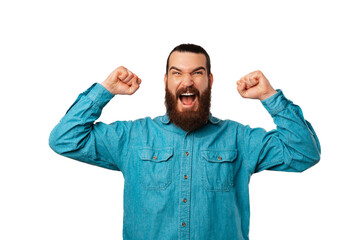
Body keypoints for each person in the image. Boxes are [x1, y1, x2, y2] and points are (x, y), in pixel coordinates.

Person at [49, 43, 321, 240]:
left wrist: (270, 97)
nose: (187, 81)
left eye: (197, 73)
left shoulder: (239, 138)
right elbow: (64, 139)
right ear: (166, 81)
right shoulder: (133, 137)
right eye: (177, 73)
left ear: (210, 81)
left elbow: (304, 153)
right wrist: (105, 90)